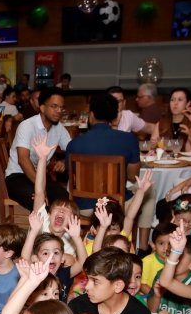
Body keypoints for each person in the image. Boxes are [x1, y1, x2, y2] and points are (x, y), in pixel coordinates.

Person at [66, 94, 155, 249]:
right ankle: (142, 247)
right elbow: (133, 177)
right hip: (117, 205)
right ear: (114, 117)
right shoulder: (128, 139)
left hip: (84, 206)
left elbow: (70, 176)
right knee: (150, 191)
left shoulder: (74, 144)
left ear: (91, 115)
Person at [5, 87, 72, 210]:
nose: (59, 111)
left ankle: (53, 222)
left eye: (61, 108)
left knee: (65, 200)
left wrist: (64, 161)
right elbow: (23, 160)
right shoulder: (27, 126)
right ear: (42, 108)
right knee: (41, 204)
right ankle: (42, 222)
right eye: (54, 106)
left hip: (40, 176)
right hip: (17, 177)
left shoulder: (59, 128)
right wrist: (40, 188)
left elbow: (72, 150)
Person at [158, 88, 191, 152]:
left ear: (188, 103)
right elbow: (154, 147)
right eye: (172, 100)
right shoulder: (162, 122)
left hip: (185, 158)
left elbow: (189, 151)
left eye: (180, 100)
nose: (175, 103)